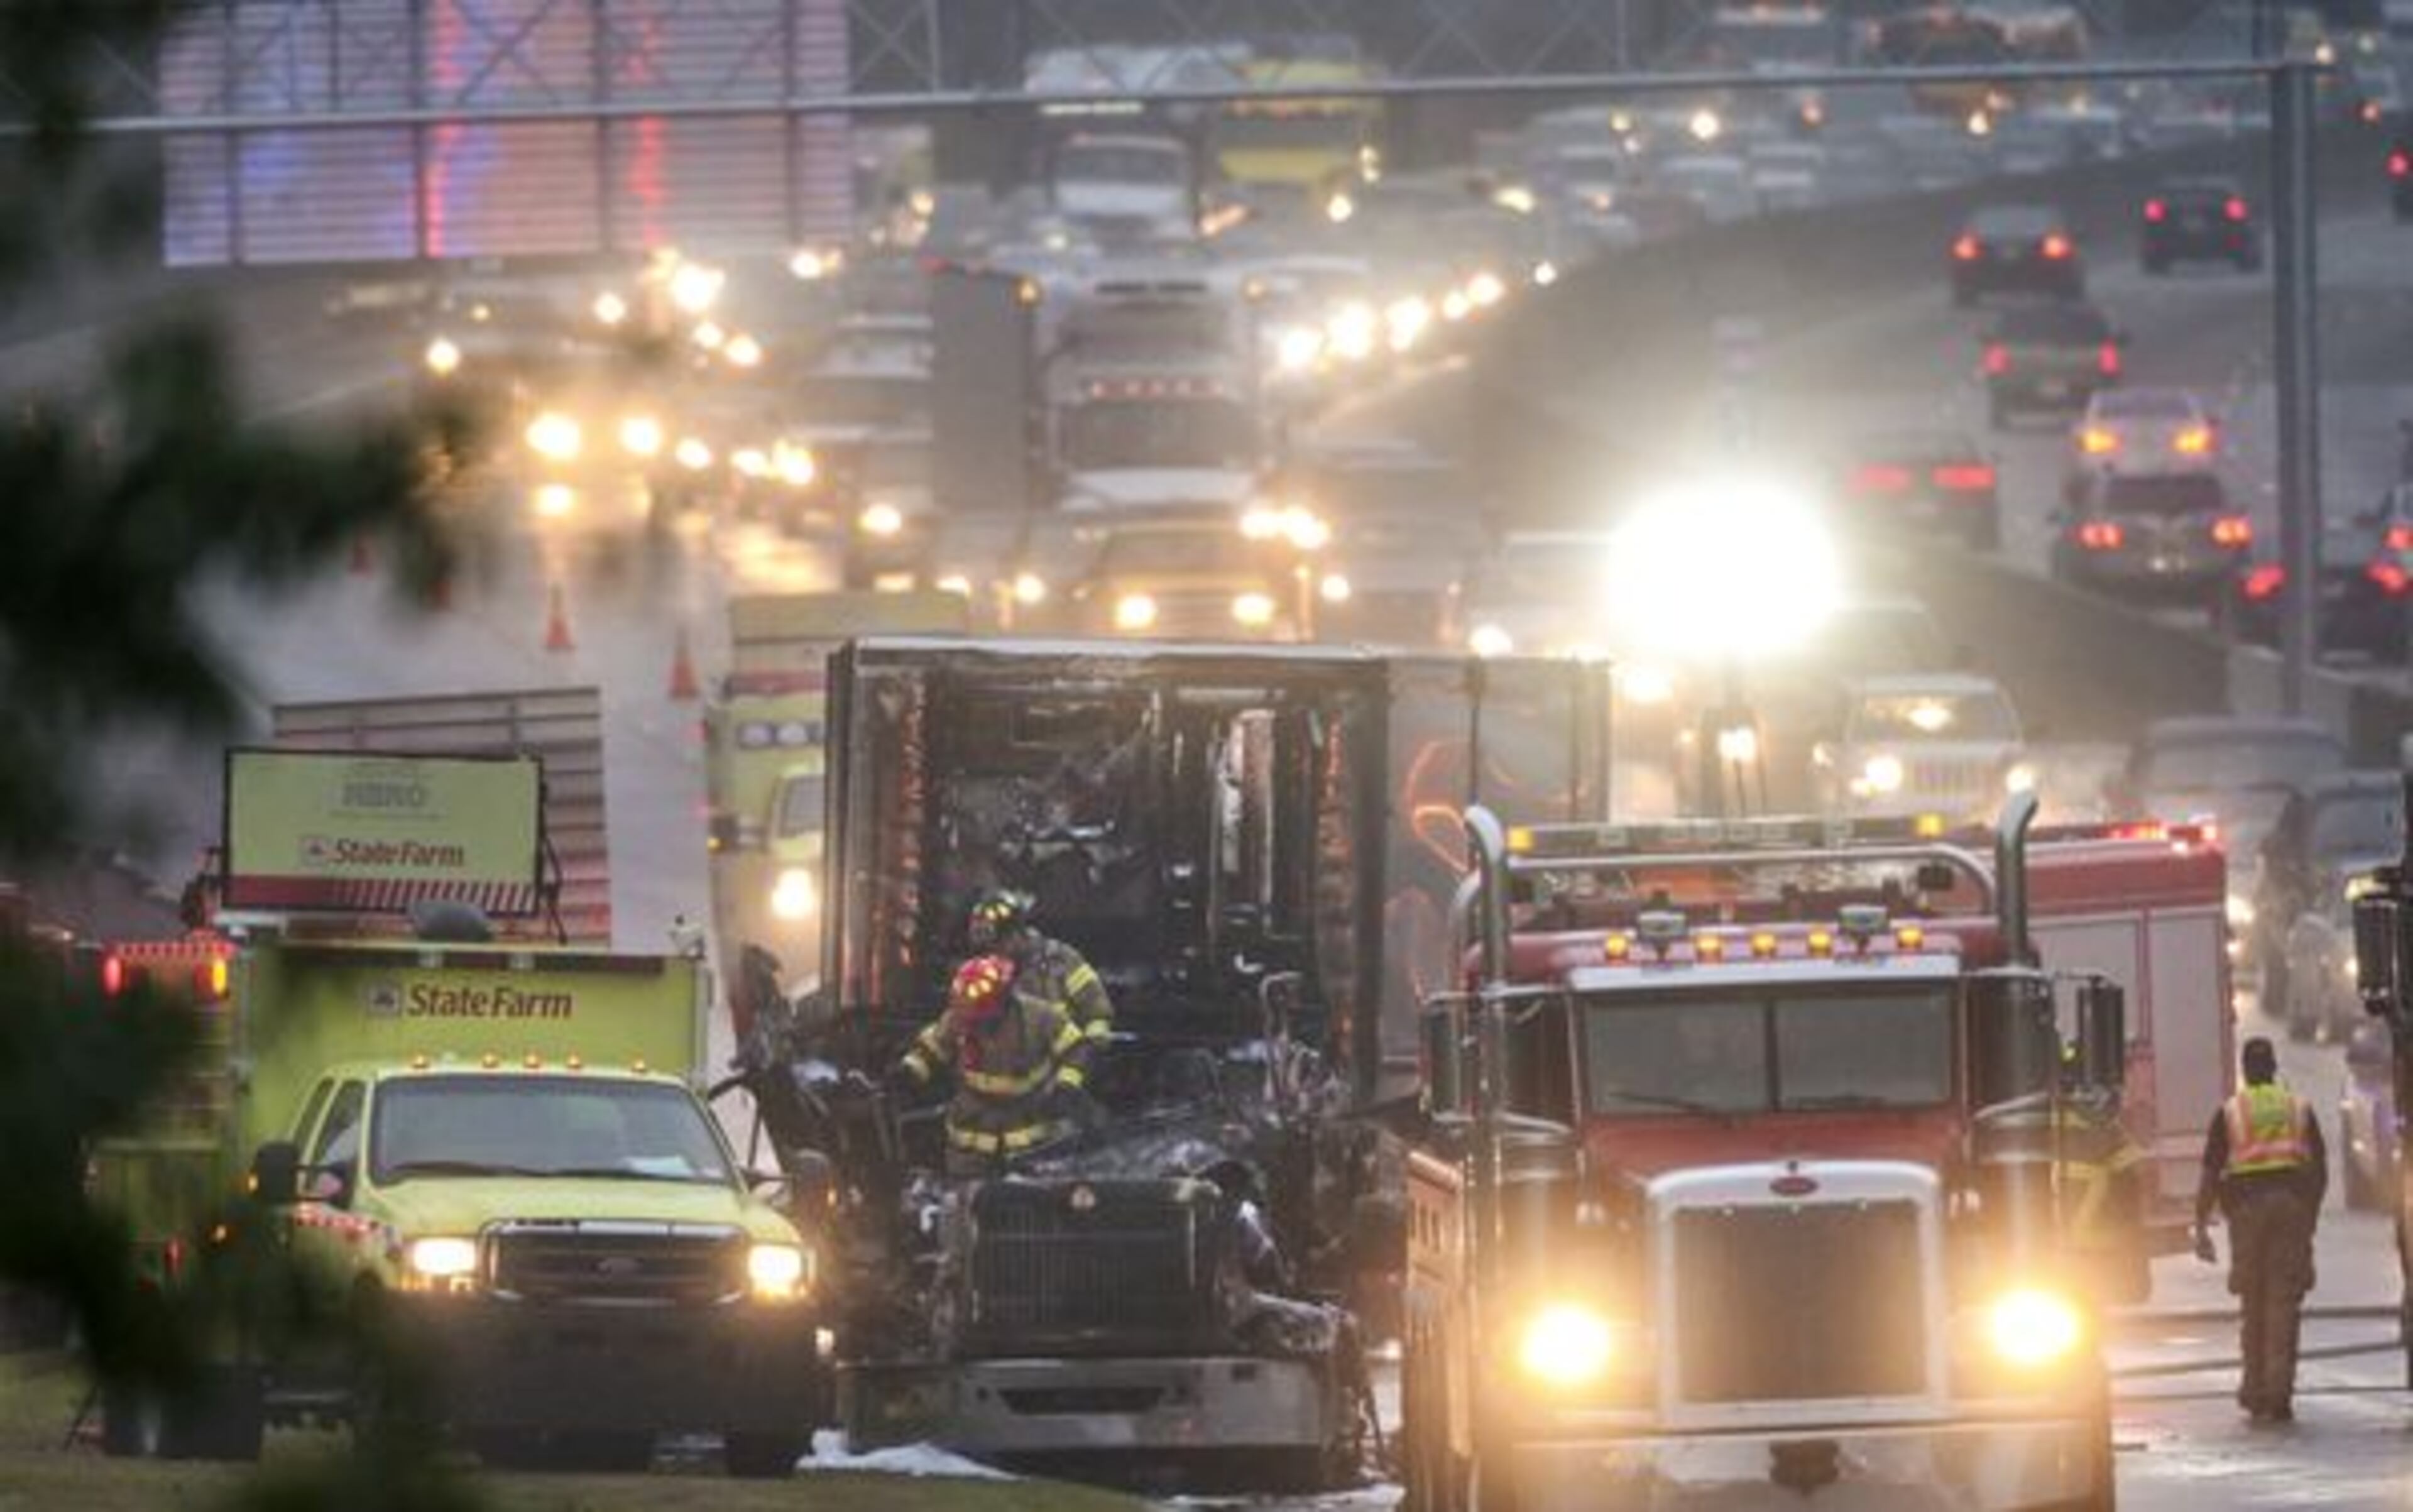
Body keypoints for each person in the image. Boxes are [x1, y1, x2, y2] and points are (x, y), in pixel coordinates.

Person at [2193, 1036, 2327, 1423]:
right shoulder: (2298, 1108)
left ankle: (2254, 1389)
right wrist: (2309, 1217)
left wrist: (2201, 1224)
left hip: (2247, 1212)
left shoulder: (2231, 1112)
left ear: (2245, 1070)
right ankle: (2278, 1393)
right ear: (2274, 1067)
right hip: (2291, 1208)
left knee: (2252, 1301)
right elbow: (2320, 1169)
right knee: (2283, 1301)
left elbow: (2209, 1171)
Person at [895, 954, 1096, 1176]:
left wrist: (1066, 1086)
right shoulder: (959, 1016)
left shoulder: (1039, 1017)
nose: (976, 1026)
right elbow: (932, 1049)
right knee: (965, 1198)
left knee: (1033, 1195)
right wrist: (908, 1072)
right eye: (971, 1019)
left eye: (981, 1019)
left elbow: (1077, 1049)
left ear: (1003, 1002)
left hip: (1031, 1129)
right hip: (973, 1131)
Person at [966, 888, 1115, 1049]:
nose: (994, 953)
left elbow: (1097, 1011)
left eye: (999, 944)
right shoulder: (984, 969)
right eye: (988, 948)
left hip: (1062, 1060)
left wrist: (1089, 1047)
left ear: (1017, 933)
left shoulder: (1062, 960)